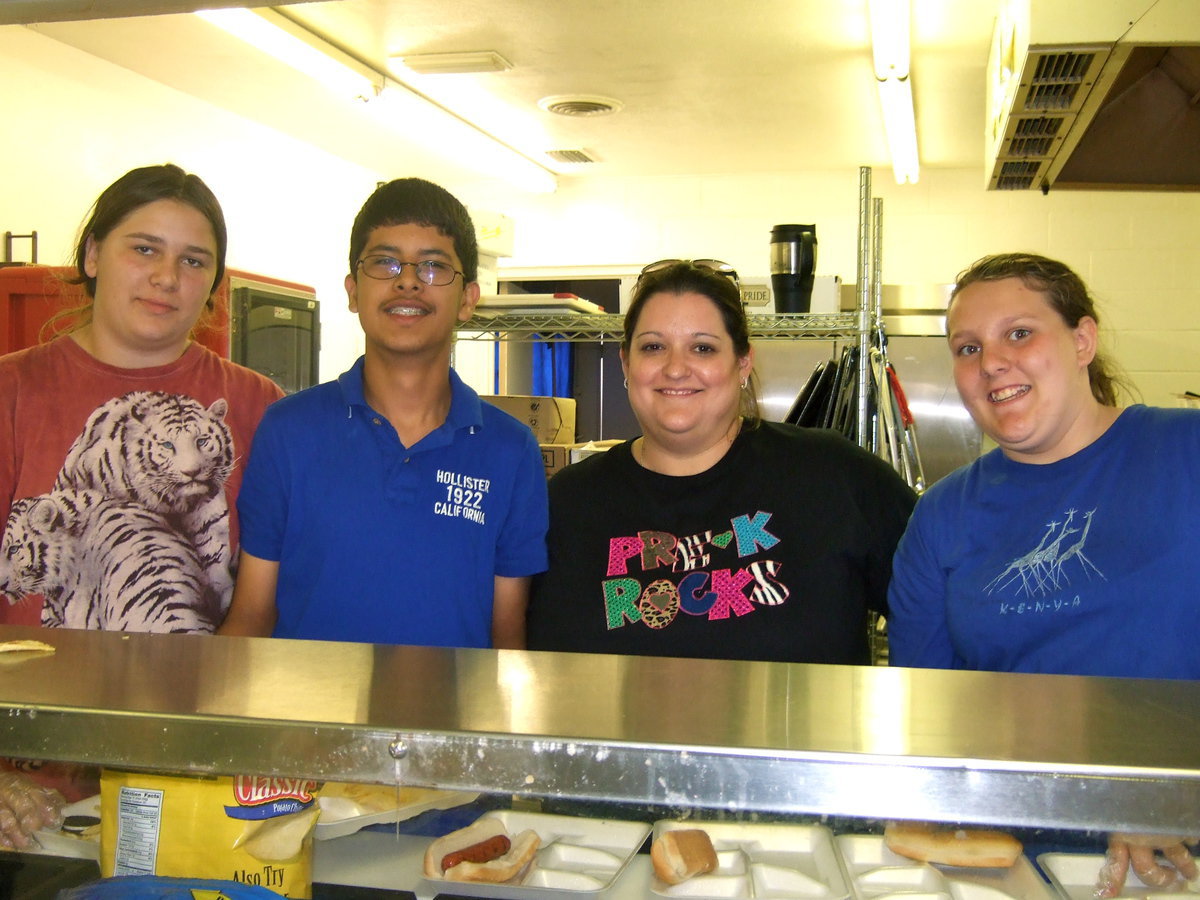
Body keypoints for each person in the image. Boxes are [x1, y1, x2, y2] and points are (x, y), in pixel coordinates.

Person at [886, 252, 1200, 896]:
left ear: (1083, 341)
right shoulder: (941, 516)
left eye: (1019, 334)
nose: (991, 362)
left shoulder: (1186, 454)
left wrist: (1170, 794)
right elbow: (929, 719)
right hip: (1011, 861)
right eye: (968, 347)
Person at [0, 162, 283, 845]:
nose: (166, 277)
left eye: (193, 260)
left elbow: (275, 606)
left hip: (204, 783)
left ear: (213, 286)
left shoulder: (260, 408)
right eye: (144, 248)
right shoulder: (12, 394)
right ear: (93, 254)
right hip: (29, 799)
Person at [526, 260, 916, 663]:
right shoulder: (565, 504)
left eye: (703, 348)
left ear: (742, 363)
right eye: (654, 347)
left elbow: (943, 612)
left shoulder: (834, 476)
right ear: (627, 363)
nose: (676, 368)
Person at [218, 178, 547, 649]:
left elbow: (506, 642)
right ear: (353, 291)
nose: (407, 280)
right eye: (384, 262)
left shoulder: (511, 451)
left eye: (434, 265)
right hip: (306, 720)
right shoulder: (288, 431)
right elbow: (252, 615)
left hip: (452, 721)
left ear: (468, 300)